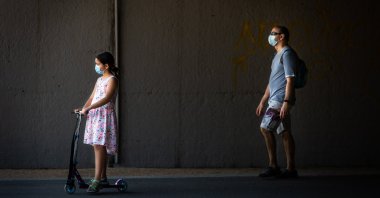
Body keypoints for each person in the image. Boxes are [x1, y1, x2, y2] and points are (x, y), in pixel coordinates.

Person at [256, 26, 298, 178]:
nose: (270, 36)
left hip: (281, 100)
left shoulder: (287, 54)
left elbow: (290, 79)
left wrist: (286, 101)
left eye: (273, 33)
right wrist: (262, 101)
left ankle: (273, 166)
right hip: (275, 99)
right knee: (285, 132)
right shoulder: (277, 55)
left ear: (282, 36)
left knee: (265, 128)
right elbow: (272, 81)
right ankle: (291, 169)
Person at [76, 52, 119, 193]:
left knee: (99, 146)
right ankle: (103, 177)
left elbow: (106, 98)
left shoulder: (112, 79)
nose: (96, 66)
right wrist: (84, 108)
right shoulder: (99, 80)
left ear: (106, 66)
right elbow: (92, 97)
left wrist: (90, 108)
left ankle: (97, 180)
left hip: (104, 116)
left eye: (97, 64)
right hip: (95, 116)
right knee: (98, 146)